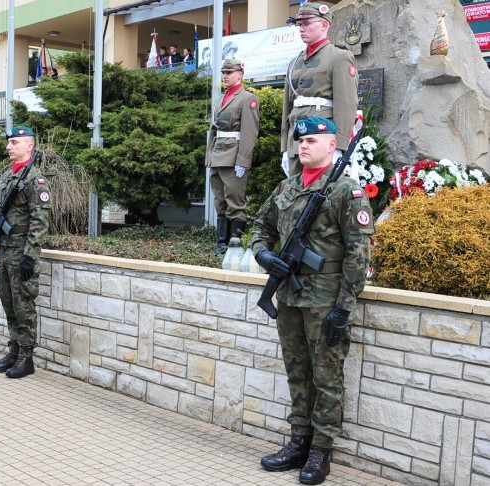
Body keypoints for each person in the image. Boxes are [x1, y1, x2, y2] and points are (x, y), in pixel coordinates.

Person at [252, 118, 374, 485]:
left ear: (332, 143)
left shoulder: (345, 191)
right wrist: (263, 255)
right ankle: (298, 442)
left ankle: (321, 451)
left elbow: (359, 252)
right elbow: (261, 227)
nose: (303, 145)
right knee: (297, 373)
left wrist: (344, 305)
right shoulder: (286, 188)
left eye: (312, 140)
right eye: (300, 140)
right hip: (289, 296)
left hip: (325, 300)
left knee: (326, 377)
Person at [0, 126, 51, 379]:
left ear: (29, 146)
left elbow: (39, 222)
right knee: (9, 303)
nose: (9, 147)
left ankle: (26, 357)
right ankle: (13, 350)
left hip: (22, 253)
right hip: (5, 250)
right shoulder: (7, 176)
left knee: (24, 306)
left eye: (14, 142)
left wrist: (30, 257)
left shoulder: (35, 179)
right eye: (9, 142)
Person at [281, 2, 359, 177]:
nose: (301, 28)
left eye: (307, 23)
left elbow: (346, 105)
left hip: (323, 141)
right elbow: (288, 108)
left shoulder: (339, 57)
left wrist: (339, 147)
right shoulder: (294, 63)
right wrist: (285, 148)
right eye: (299, 24)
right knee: (296, 198)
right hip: (297, 143)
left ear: (324, 25)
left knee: (322, 198)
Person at [207, 59, 260, 255]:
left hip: (234, 155)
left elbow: (249, 132)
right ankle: (222, 243)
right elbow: (213, 130)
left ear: (240, 74)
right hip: (218, 154)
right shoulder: (220, 99)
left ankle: (235, 244)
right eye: (224, 72)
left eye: (230, 72)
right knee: (220, 201)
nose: (225, 76)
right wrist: (209, 156)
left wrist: (243, 160)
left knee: (235, 203)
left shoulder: (247, 99)